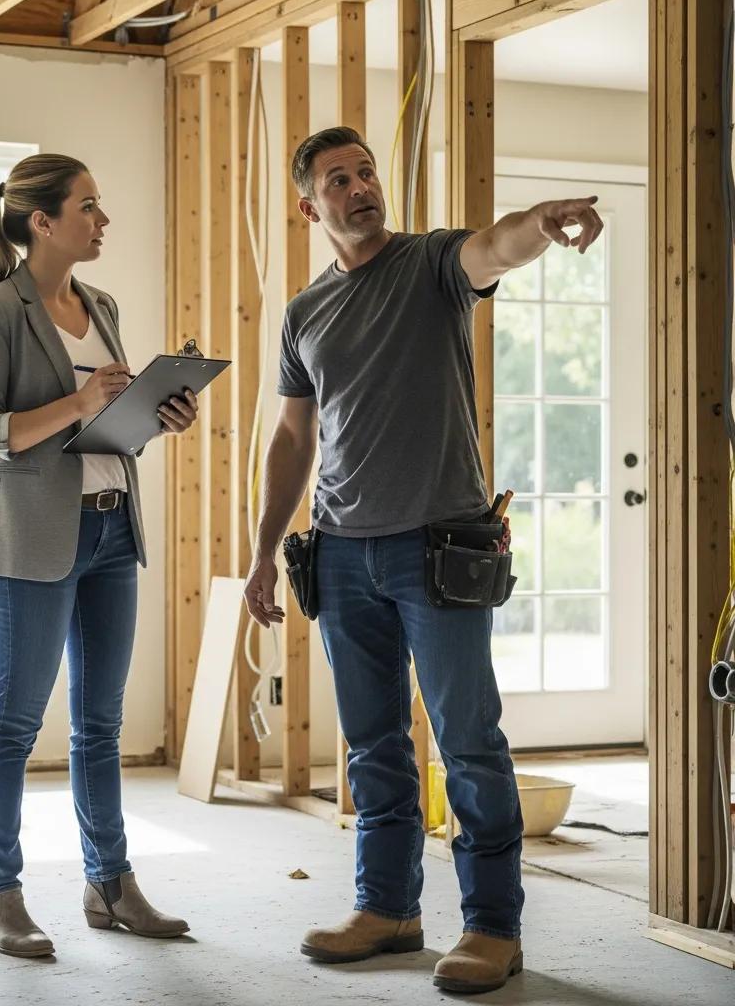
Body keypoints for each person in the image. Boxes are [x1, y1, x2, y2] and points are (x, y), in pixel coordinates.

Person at [242, 127, 603, 995]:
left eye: (366, 172)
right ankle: (388, 910)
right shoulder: (304, 313)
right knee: (372, 745)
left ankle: (493, 926)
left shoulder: (431, 264)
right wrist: (262, 550)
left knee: (468, 742)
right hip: (340, 551)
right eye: (339, 179)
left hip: (437, 548)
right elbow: (292, 437)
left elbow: (495, 247)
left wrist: (541, 221)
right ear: (311, 207)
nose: (361, 187)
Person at [0, 153, 197, 958]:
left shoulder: (103, 306)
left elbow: (105, 431)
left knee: (101, 723)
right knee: (16, 725)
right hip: (33, 539)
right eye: (88, 206)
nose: (102, 219)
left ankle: (110, 886)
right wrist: (79, 400)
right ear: (42, 221)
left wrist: (155, 416)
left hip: (111, 528)